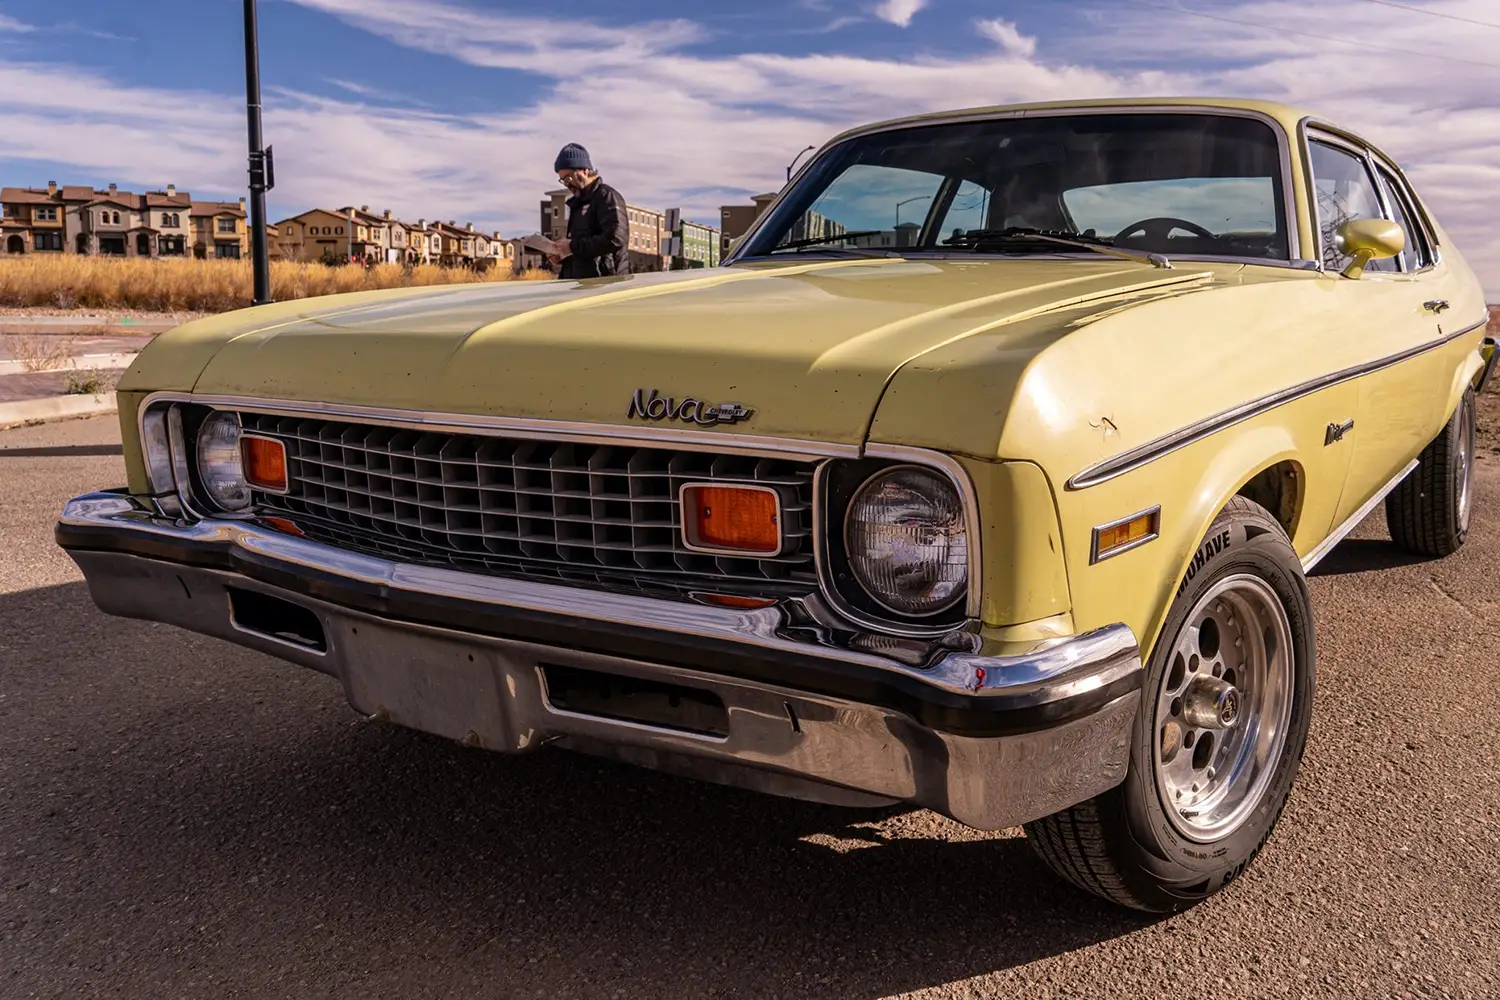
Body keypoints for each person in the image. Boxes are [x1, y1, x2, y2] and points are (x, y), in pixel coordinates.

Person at [549, 143, 630, 279]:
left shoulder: (606, 197)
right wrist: (563, 255)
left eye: (568, 177)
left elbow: (616, 238)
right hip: (581, 282)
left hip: (606, 282)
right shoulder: (578, 204)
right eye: (563, 180)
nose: (567, 183)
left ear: (585, 170)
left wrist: (572, 247)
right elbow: (583, 248)